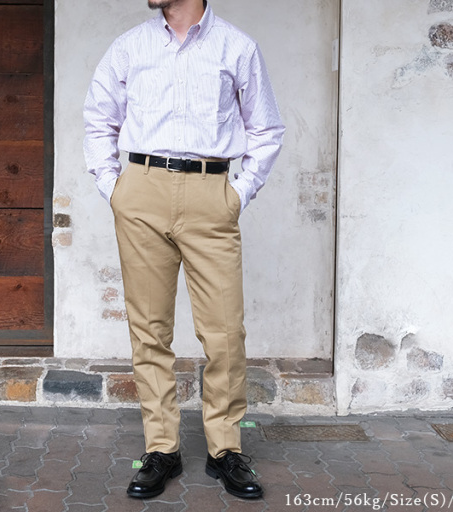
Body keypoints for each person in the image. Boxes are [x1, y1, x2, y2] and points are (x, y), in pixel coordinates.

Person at [83, 0, 284, 500]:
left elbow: (266, 128)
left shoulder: (236, 47)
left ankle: (225, 449)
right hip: (141, 190)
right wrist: (115, 188)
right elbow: (98, 119)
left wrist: (237, 193)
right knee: (148, 329)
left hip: (210, 193)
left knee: (225, 332)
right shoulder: (129, 47)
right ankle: (161, 449)